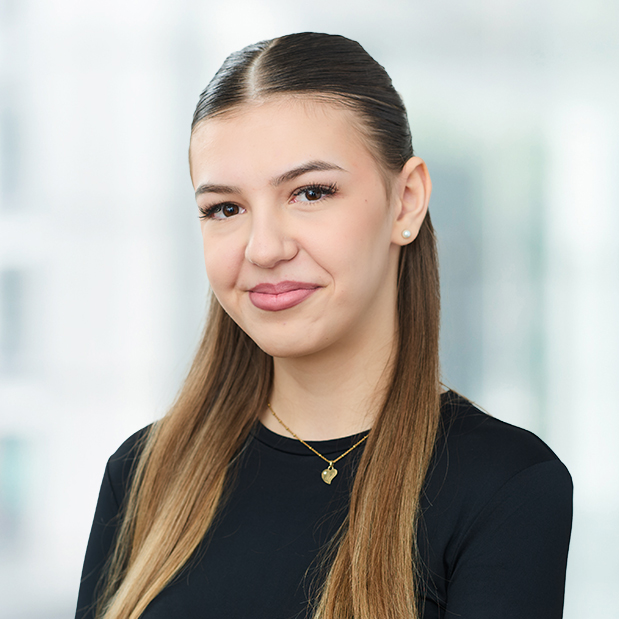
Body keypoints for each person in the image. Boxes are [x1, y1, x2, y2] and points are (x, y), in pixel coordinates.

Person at [75, 32, 573, 619]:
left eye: (311, 192)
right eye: (225, 208)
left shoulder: (506, 485)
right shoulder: (143, 474)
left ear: (406, 200)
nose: (264, 248)